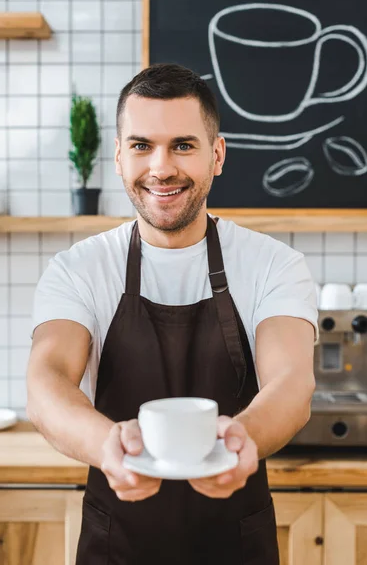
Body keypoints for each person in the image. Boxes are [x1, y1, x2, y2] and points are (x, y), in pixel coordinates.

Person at [27, 63, 318, 565]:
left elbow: (292, 382)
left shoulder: (274, 264)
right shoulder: (79, 268)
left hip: (237, 545)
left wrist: (243, 437)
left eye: (183, 145)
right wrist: (107, 444)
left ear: (217, 155)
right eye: (142, 145)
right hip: (117, 544)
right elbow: (46, 380)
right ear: (119, 157)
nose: (161, 167)